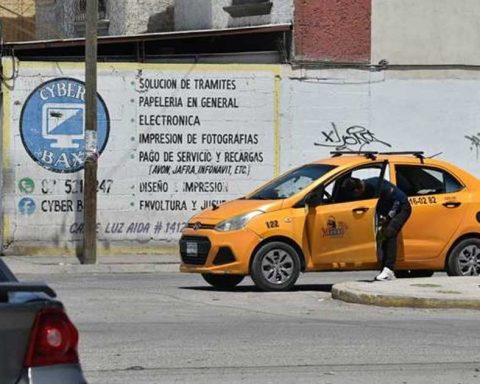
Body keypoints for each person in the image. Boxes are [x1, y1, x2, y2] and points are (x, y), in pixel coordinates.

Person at [341, 177, 412, 281]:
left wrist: (388, 218)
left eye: (354, 194)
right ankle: (384, 269)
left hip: (402, 207)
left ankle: (389, 270)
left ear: (357, 190)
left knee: (390, 232)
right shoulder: (364, 190)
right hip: (387, 211)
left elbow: (397, 203)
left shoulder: (379, 186)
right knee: (382, 237)